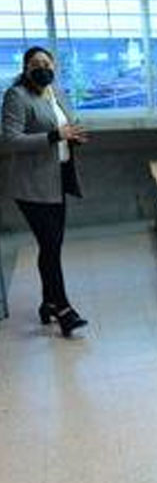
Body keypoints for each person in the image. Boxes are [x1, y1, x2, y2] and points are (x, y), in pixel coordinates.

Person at [1, 46, 88, 337]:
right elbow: (11, 140)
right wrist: (54, 136)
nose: (43, 68)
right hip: (31, 185)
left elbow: (66, 126)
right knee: (50, 245)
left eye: (47, 63)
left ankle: (48, 303)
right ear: (26, 68)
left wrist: (73, 136)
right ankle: (63, 309)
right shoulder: (16, 95)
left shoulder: (55, 92)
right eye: (36, 63)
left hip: (58, 179)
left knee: (52, 246)